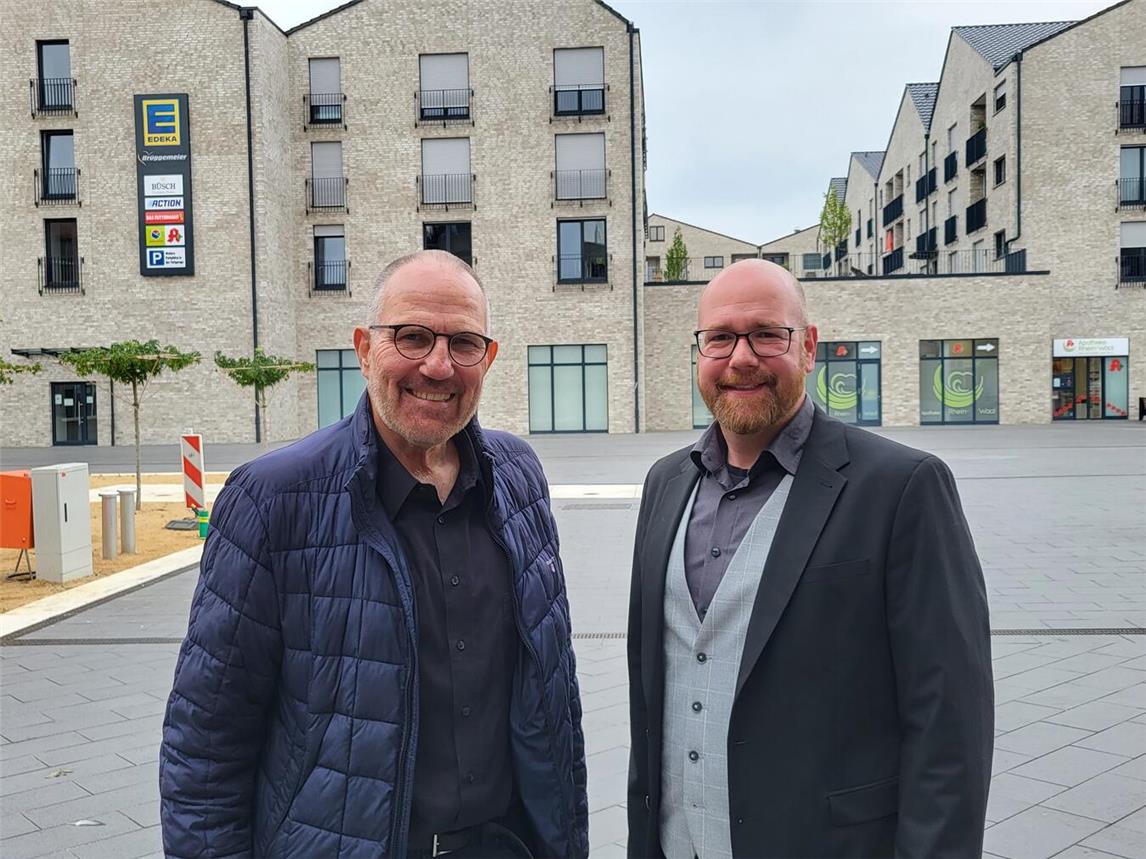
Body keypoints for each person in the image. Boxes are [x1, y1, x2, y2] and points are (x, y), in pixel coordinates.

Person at [160, 250, 588, 859]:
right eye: (411, 338)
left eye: (464, 343)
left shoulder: (517, 479)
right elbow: (206, 744)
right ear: (364, 349)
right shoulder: (274, 500)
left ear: (488, 359)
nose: (438, 366)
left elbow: (554, 699)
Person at [626, 259, 993, 858]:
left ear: (809, 347)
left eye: (767, 334)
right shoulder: (665, 484)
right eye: (720, 337)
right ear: (699, 351)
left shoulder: (902, 488)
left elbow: (950, 722)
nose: (741, 357)